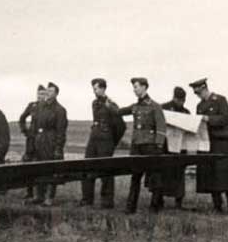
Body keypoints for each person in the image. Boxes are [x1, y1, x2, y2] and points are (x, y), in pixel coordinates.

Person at [118, 77, 167, 214]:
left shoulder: (155, 106)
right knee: (135, 177)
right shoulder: (135, 107)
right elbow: (119, 111)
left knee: (155, 177)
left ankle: (155, 206)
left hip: (150, 146)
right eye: (133, 87)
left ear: (144, 87)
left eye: (136, 86)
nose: (134, 89)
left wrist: (158, 145)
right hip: (137, 146)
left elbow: (161, 127)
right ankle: (130, 207)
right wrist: (109, 103)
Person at [189, 78, 228, 213]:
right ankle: (217, 205)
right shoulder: (199, 106)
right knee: (210, 174)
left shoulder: (220, 100)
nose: (199, 96)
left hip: (221, 143)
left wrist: (209, 119)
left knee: (224, 174)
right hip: (206, 143)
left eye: (199, 93)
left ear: (205, 88)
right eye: (197, 94)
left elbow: (227, 118)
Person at [80, 78, 126, 209]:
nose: (94, 91)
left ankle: (107, 202)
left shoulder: (111, 104)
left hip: (106, 142)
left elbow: (121, 126)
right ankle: (87, 200)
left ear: (102, 88)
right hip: (93, 139)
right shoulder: (94, 103)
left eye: (95, 88)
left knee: (106, 171)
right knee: (87, 167)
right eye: (93, 89)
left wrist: (112, 142)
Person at [27, 82, 68, 206]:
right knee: (38, 168)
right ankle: (38, 196)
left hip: (51, 142)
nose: (48, 93)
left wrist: (58, 148)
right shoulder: (40, 107)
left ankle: (49, 198)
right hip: (39, 140)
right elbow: (35, 125)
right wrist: (32, 141)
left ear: (56, 94)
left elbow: (61, 131)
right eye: (47, 91)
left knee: (51, 169)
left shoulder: (60, 110)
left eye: (51, 91)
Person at [160, 86, 190, 209]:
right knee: (163, 174)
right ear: (174, 98)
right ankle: (159, 200)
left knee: (179, 175)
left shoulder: (186, 112)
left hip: (180, 149)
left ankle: (179, 202)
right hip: (165, 147)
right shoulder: (164, 108)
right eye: (179, 100)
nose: (181, 103)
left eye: (183, 100)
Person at [19, 85, 47, 198]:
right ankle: (29, 192)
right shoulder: (32, 106)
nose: (41, 96)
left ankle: (41, 193)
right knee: (29, 165)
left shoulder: (48, 107)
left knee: (42, 165)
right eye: (40, 94)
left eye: (44, 94)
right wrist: (25, 131)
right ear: (37, 94)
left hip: (44, 141)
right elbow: (22, 118)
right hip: (31, 140)